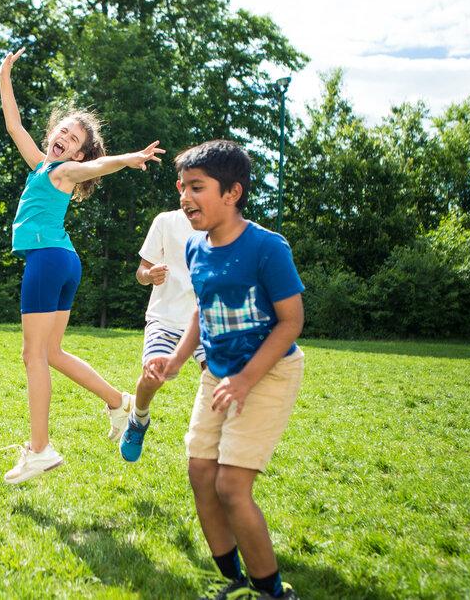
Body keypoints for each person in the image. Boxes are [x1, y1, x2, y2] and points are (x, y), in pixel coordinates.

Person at [145, 141, 304, 600]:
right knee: (200, 471)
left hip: (268, 373)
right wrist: (176, 359)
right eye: (182, 187)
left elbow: (292, 320)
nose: (185, 197)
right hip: (218, 374)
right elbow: (202, 309)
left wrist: (247, 379)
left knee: (231, 486)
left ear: (232, 193)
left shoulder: (267, 248)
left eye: (197, 187)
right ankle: (230, 578)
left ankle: (271, 590)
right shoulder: (195, 247)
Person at [0, 47, 164, 484]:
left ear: (79, 155)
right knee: (51, 352)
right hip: (64, 261)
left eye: (74, 140)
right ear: (51, 132)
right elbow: (13, 124)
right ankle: (118, 401)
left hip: (49, 261)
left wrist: (127, 159)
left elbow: (99, 165)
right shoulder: (41, 165)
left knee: (32, 355)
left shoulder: (64, 172)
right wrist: (4, 75)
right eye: (62, 132)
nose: (64, 140)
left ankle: (39, 449)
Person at [119, 208, 205, 462]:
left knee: (218, 378)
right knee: (153, 374)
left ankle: (211, 444)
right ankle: (139, 418)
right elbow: (141, 271)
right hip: (165, 317)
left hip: (205, 319)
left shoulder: (223, 226)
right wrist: (149, 275)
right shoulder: (165, 221)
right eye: (186, 185)